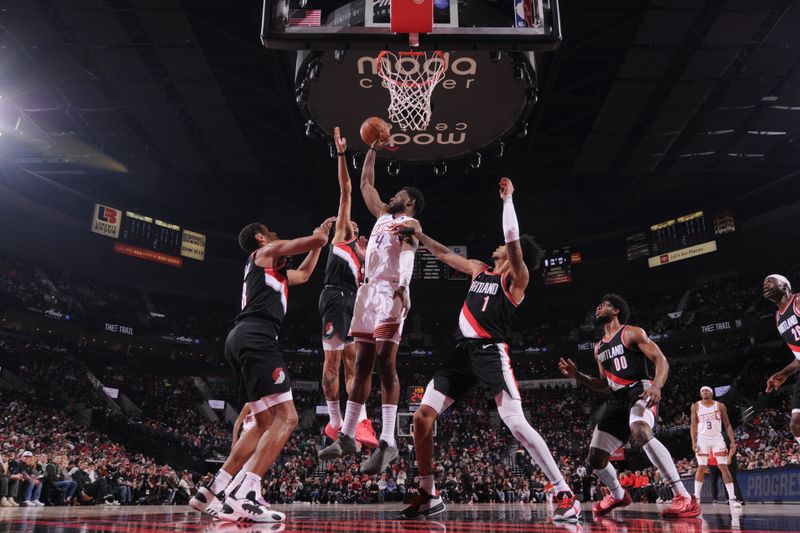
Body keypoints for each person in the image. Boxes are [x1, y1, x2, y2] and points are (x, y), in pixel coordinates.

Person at [394, 178, 582, 522]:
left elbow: (511, 239)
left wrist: (508, 200)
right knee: (421, 419)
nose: (498, 246)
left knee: (516, 424)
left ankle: (563, 490)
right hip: (461, 353)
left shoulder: (516, 280)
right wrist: (418, 233)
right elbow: (445, 255)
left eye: (505, 248)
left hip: (490, 353)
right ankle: (429, 493)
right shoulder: (480, 270)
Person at [190, 216, 335, 523]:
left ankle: (211, 492)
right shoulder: (264, 252)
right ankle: (247, 494)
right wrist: (319, 235)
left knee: (262, 421)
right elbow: (318, 241)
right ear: (260, 237)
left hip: (241, 338)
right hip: (257, 337)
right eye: (270, 230)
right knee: (288, 417)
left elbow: (306, 275)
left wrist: (316, 246)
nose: (276, 232)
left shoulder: (272, 271)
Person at [318, 137, 424, 476]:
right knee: (361, 363)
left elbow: (408, 254)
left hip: (390, 292)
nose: (392, 197)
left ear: (410, 202)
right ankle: (347, 434)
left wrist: (404, 287)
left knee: (384, 363)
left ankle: (389, 441)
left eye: (399, 195)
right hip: (366, 291)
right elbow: (365, 183)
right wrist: (373, 148)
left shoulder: (409, 225)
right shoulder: (380, 215)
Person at [558, 295, 701, 518]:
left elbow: (661, 360)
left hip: (639, 389)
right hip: (616, 398)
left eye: (603, 305)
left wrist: (657, 386)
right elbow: (604, 385)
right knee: (595, 458)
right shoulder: (598, 348)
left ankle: (683, 495)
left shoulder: (632, 332)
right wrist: (578, 375)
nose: (598, 307)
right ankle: (617, 494)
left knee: (640, 430)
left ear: (616, 311)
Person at [319, 127, 377, 448]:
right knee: (335, 364)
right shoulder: (342, 234)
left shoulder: (363, 260)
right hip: (336, 296)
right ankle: (339, 421)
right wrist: (342, 154)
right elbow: (346, 190)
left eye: (357, 225)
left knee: (353, 363)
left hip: (350, 300)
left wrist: (369, 258)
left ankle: (351, 424)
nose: (357, 225)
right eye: (355, 223)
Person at [762, 274, 800, 445]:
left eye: (770, 281)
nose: (765, 285)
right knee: (796, 424)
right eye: (764, 283)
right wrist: (783, 373)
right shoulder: (778, 319)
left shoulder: (797, 301)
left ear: (785, 286)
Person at [691, 386, 741, 509]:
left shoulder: (719, 406)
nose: (704, 392)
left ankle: (732, 498)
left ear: (712, 393)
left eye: (706, 390)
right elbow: (693, 424)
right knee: (701, 467)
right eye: (702, 390)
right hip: (702, 438)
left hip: (717, 438)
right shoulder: (696, 406)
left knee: (724, 467)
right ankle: (696, 498)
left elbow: (727, 424)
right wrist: (694, 441)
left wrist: (732, 442)